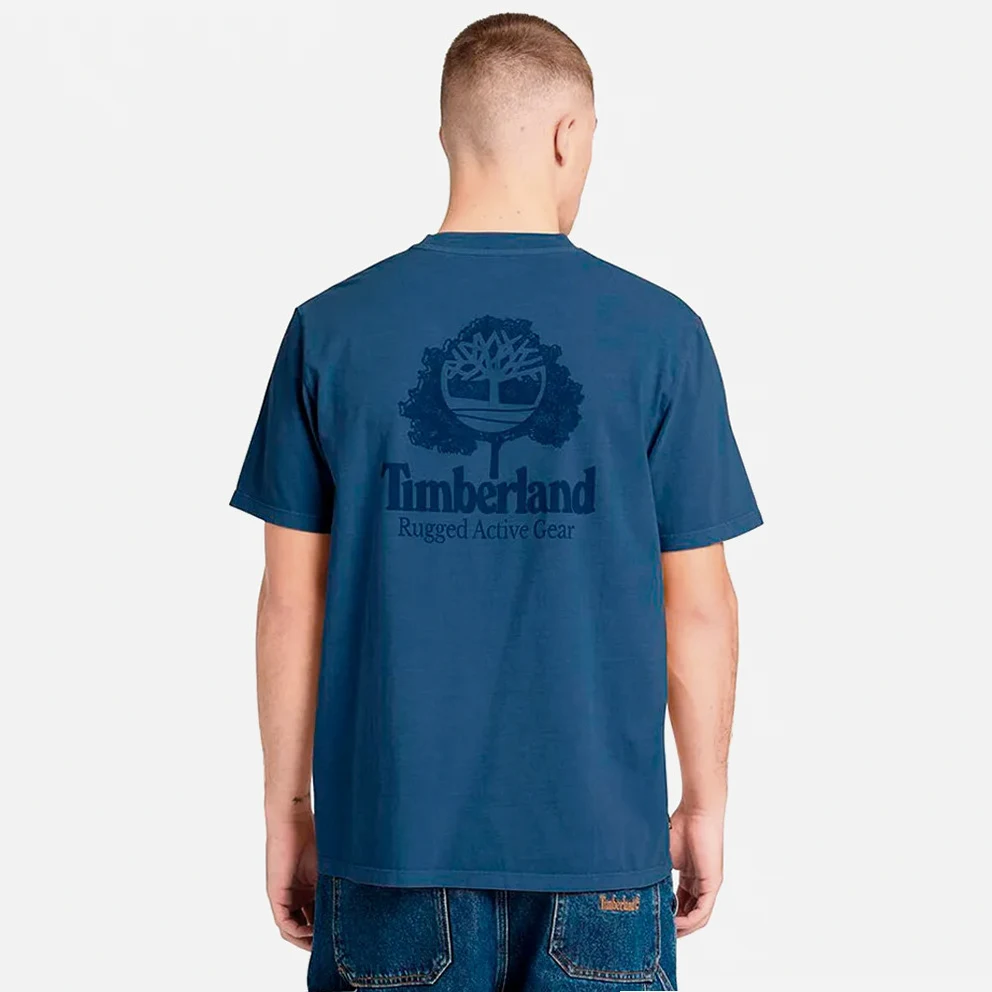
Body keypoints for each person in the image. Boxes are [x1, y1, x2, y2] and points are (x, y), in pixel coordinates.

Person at [230, 13, 761, 991]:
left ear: (448, 135)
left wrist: (287, 810)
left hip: (387, 844)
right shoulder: (660, 335)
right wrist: (704, 802)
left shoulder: (329, 332)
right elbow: (697, 602)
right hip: (602, 856)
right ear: (568, 134)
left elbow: (291, 602)